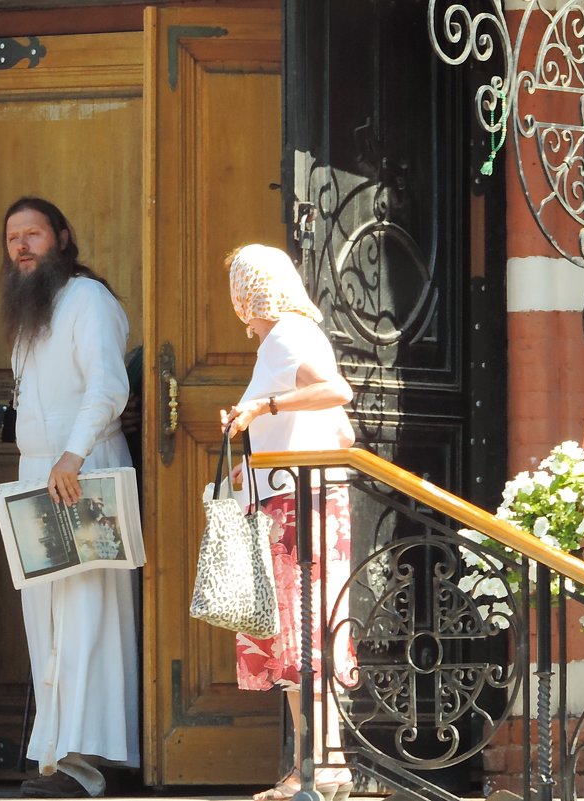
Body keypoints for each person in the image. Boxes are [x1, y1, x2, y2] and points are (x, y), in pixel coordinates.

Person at [1, 197, 139, 799]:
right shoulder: (33, 311)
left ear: (62, 235)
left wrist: (73, 454)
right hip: (39, 475)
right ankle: (56, 755)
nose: (23, 246)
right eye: (13, 238)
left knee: (86, 615)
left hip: (84, 471)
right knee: (45, 622)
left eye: (34, 234)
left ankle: (89, 759)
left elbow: (108, 385)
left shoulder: (88, 299)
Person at [219, 244, 357, 801]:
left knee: (300, 642)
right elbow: (343, 433)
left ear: (249, 292)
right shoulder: (297, 336)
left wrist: (261, 410)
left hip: (292, 509)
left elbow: (337, 391)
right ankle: (329, 764)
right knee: (310, 639)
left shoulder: (285, 337)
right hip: (311, 501)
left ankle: (314, 768)